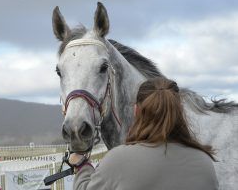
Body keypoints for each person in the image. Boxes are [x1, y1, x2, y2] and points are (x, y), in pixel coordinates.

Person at [69, 77, 219, 190]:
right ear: (179, 112)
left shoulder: (118, 160)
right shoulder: (204, 163)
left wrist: (82, 166)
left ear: (136, 111)